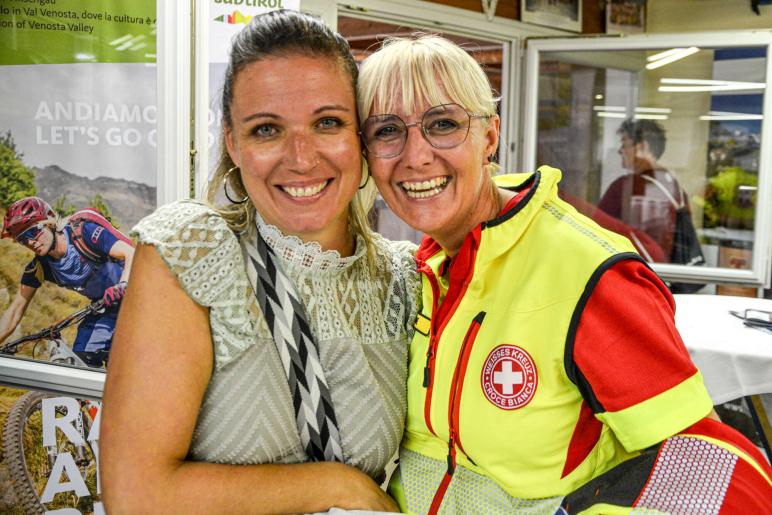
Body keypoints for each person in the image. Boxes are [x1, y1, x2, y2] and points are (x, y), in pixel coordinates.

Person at [357, 35, 772, 514]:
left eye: (443, 124)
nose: (415, 155)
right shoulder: (418, 272)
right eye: (387, 131)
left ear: (489, 137)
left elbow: (704, 466)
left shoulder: (589, 274)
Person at [100, 10, 418, 514]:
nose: (301, 156)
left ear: (361, 135)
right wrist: (337, 486)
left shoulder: (403, 279)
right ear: (233, 143)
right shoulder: (194, 251)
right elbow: (136, 498)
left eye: (328, 122)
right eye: (267, 129)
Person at [0, 196, 134, 367]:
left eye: (33, 231)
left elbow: (130, 253)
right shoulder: (39, 267)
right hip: (105, 309)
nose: (30, 242)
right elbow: (14, 312)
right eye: (22, 239)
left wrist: (122, 285)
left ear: (49, 223)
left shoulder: (84, 233)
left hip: (137, 297)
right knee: (79, 366)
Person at [597, 118, 687, 260]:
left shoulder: (625, 187)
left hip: (634, 268)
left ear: (642, 147)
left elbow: (597, 229)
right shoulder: (675, 187)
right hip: (668, 273)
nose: (621, 151)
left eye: (625, 145)